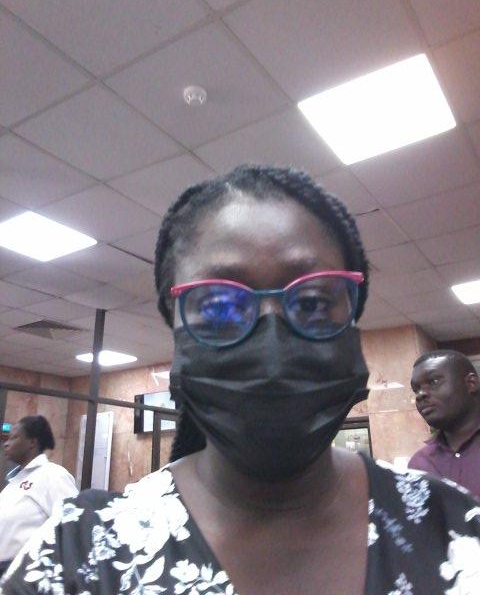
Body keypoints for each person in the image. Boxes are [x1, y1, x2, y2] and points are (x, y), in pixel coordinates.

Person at [2, 165, 480, 594]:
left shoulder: (453, 527)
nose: (271, 339)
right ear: (175, 323)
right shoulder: (82, 556)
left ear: (352, 317)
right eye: (219, 306)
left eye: (314, 301)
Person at [0, 415, 78, 577]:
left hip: (26, 575)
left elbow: (72, 526)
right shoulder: (15, 480)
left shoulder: (53, 475)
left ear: (32, 442)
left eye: (13, 438)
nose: (6, 443)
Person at [409, 350, 480, 499]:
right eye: (416, 389)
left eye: (433, 382)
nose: (421, 394)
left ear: (471, 383)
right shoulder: (420, 464)